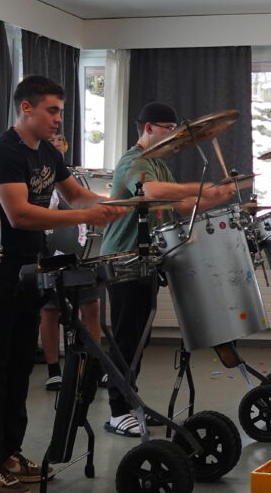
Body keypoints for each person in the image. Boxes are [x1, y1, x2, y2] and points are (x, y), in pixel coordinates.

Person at [0, 75, 126, 493]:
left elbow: (75, 195)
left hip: (28, 273)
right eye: (52, 111)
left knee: (20, 368)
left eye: (60, 111)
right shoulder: (3, 151)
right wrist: (85, 217)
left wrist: (116, 204)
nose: (58, 119)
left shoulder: (47, 153)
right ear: (26, 108)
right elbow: (19, 215)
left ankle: (9, 455)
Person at [99, 102, 237, 437]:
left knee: (139, 338)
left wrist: (218, 195)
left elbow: (184, 205)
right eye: (168, 129)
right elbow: (152, 192)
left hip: (145, 260)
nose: (175, 136)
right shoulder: (133, 160)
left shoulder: (159, 165)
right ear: (148, 128)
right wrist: (198, 186)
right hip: (122, 258)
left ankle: (130, 403)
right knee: (126, 337)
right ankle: (118, 412)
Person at [39, 131, 103, 391]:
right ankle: (54, 370)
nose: (56, 143)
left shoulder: (73, 179)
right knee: (50, 310)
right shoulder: (38, 178)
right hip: (48, 254)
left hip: (79, 254)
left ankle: (95, 365)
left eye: (60, 140)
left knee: (91, 307)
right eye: (51, 140)